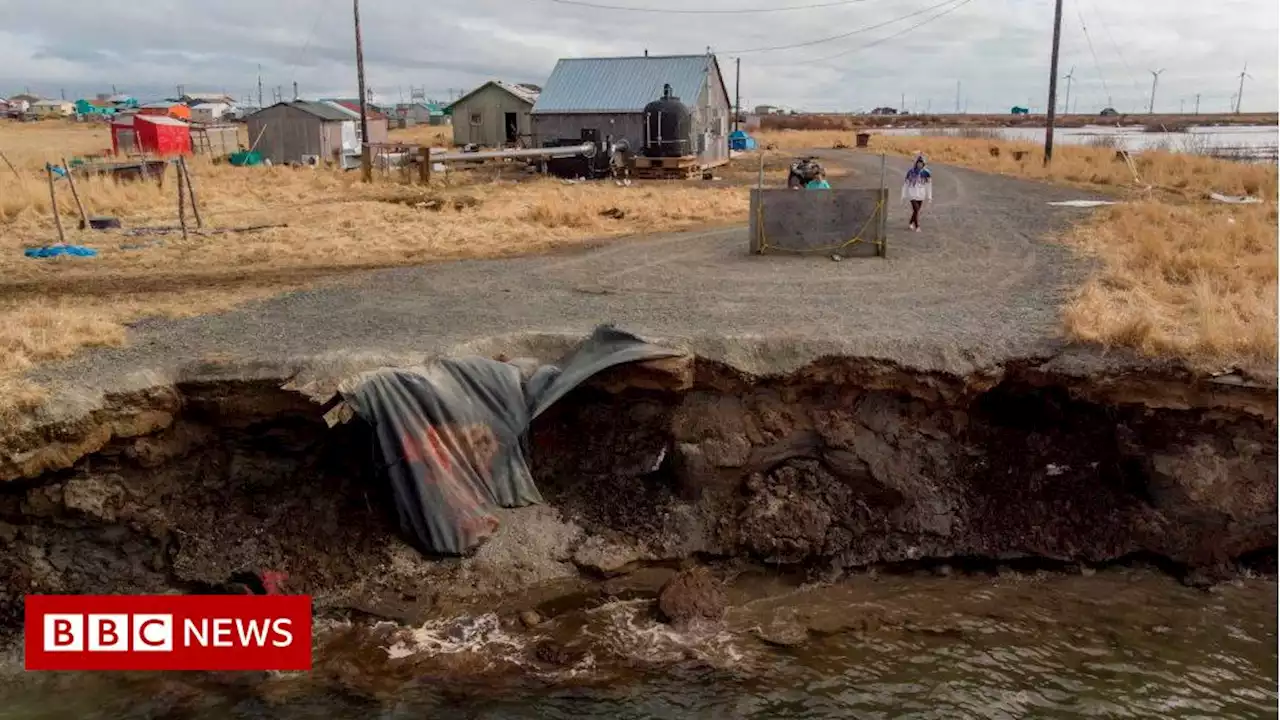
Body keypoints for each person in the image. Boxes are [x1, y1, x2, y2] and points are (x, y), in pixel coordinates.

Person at [901, 153, 932, 230]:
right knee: (916, 209)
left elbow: (929, 185)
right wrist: (903, 195)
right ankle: (917, 226)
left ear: (923, 164)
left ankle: (911, 222)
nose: (920, 165)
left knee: (916, 211)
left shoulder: (926, 173)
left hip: (921, 194)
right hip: (912, 193)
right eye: (918, 163)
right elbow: (906, 184)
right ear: (916, 163)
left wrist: (929, 196)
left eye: (921, 163)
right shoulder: (910, 172)